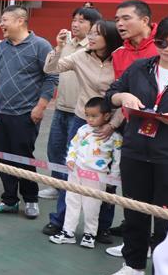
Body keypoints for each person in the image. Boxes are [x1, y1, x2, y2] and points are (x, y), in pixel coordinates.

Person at [101, 15, 168, 275]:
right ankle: (132, 269)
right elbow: (110, 94)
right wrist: (122, 98)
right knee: (135, 215)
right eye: (162, 42)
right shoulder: (140, 67)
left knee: (166, 223)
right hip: (136, 150)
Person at [41, 19, 123, 239]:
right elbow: (51, 68)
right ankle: (60, 222)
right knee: (73, 173)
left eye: (97, 34)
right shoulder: (81, 56)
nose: (91, 37)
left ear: (111, 38)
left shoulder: (121, 59)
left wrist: (113, 124)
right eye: (91, 34)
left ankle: (101, 227)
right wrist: (58, 48)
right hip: (83, 121)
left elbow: (129, 94)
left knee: (107, 177)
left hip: (115, 122)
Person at [0, 6, 58, 219]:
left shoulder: (40, 46)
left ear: (20, 21)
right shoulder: (2, 47)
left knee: (23, 157)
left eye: (5, 20)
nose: (2, 24)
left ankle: (31, 199)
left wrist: (40, 107)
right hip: (1, 112)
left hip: (26, 113)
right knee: (1, 157)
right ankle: (9, 200)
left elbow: (51, 78)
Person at [40, 7, 100, 202]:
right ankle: (57, 186)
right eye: (74, 19)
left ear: (93, 26)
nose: (75, 24)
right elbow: (50, 69)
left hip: (82, 112)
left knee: (73, 154)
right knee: (54, 149)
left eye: (82, 21)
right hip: (61, 107)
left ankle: (70, 190)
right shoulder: (66, 44)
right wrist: (58, 47)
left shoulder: (92, 48)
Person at [49, 97, 122, 249]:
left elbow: (117, 159)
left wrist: (113, 178)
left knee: (92, 206)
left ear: (106, 116)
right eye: (87, 115)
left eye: (94, 116)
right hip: (75, 173)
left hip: (97, 177)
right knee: (72, 202)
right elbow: (73, 146)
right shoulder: (82, 130)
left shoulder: (114, 137)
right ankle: (68, 232)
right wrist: (70, 159)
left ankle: (90, 234)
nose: (90, 119)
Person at [112, 0, 157, 78]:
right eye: (117, 20)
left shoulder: (165, 46)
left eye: (126, 18)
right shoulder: (118, 53)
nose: (119, 23)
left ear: (144, 21)